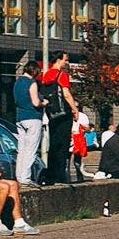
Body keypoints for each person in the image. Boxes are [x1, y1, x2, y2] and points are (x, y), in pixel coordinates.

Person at [36, 52, 79, 184]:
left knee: (53, 144)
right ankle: (60, 175)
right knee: (63, 144)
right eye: (65, 60)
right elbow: (66, 94)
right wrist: (75, 109)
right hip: (63, 113)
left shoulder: (45, 75)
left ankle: (51, 174)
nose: (66, 63)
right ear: (59, 60)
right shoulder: (62, 75)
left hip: (51, 113)